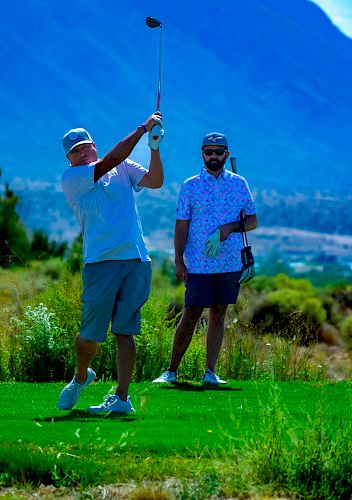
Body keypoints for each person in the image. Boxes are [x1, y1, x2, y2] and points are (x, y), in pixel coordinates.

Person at [58, 112, 164, 413]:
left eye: (85, 147)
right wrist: (143, 129)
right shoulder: (74, 179)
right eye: (75, 151)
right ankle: (81, 377)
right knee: (89, 335)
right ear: (69, 159)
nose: (82, 153)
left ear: (94, 146)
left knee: (125, 330)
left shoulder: (124, 168)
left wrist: (154, 146)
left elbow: (155, 181)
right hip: (100, 263)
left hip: (136, 259)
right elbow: (108, 161)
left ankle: (121, 397)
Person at [153, 132, 257, 386]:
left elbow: (252, 221)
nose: (213, 156)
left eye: (218, 152)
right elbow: (181, 225)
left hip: (230, 263)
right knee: (191, 314)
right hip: (198, 263)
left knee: (219, 315)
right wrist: (179, 260)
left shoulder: (239, 184)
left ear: (226, 155)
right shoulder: (190, 186)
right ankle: (171, 371)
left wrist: (228, 229)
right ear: (202, 153)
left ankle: (210, 372)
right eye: (208, 152)